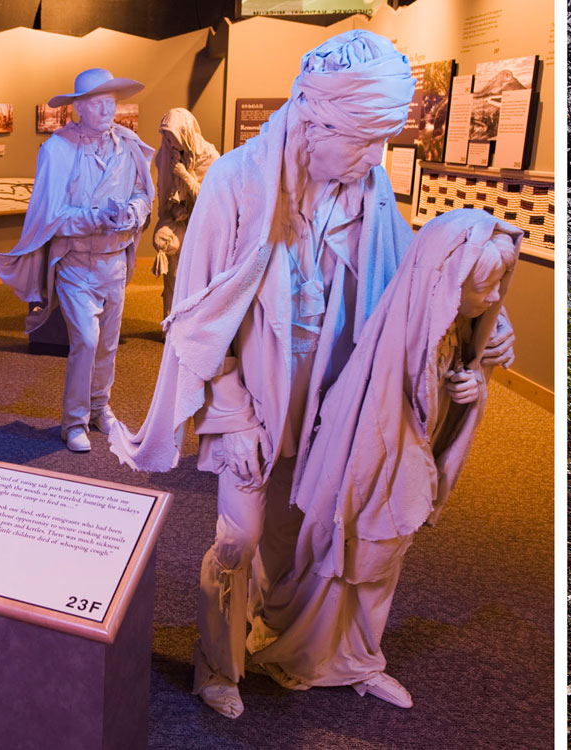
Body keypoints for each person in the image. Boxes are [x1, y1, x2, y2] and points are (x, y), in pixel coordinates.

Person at [108, 31, 511, 719]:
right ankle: (217, 664)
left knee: (329, 529)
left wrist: (480, 329)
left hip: (337, 391)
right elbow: (194, 318)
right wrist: (231, 416)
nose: (372, 159)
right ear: (314, 117)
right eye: (360, 140)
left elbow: (413, 285)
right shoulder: (235, 184)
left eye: (379, 142)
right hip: (256, 394)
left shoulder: (370, 185)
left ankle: (337, 656)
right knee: (238, 538)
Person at [245, 208, 520, 707]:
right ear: (449, 284)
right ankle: (317, 652)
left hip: (405, 460)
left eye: (501, 283)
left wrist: (473, 383)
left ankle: (358, 656)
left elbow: (452, 379)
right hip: (377, 458)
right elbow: (404, 399)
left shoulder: (452, 322)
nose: (496, 297)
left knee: (377, 565)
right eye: (486, 287)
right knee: (351, 556)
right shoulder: (407, 329)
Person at [0, 68, 154, 452]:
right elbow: (49, 215)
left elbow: (143, 195)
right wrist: (93, 217)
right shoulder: (58, 149)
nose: (106, 109)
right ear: (78, 107)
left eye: (111, 102)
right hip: (77, 264)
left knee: (109, 344)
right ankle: (74, 421)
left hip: (115, 262)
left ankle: (100, 407)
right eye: (97, 103)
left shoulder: (128, 145)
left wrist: (132, 211)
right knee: (87, 340)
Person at [150, 107, 219, 314]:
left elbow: (210, 199)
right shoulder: (167, 154)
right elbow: (165, 190)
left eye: (174, 137)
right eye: (168, 138)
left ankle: (190, 325)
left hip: (200, 227)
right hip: (178, 222)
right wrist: (174, 208)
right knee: (172, 275)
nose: (171, 143)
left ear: (186, 132)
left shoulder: (209, 156)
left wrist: (185, 175)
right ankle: (170, 322)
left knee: (195, 277)